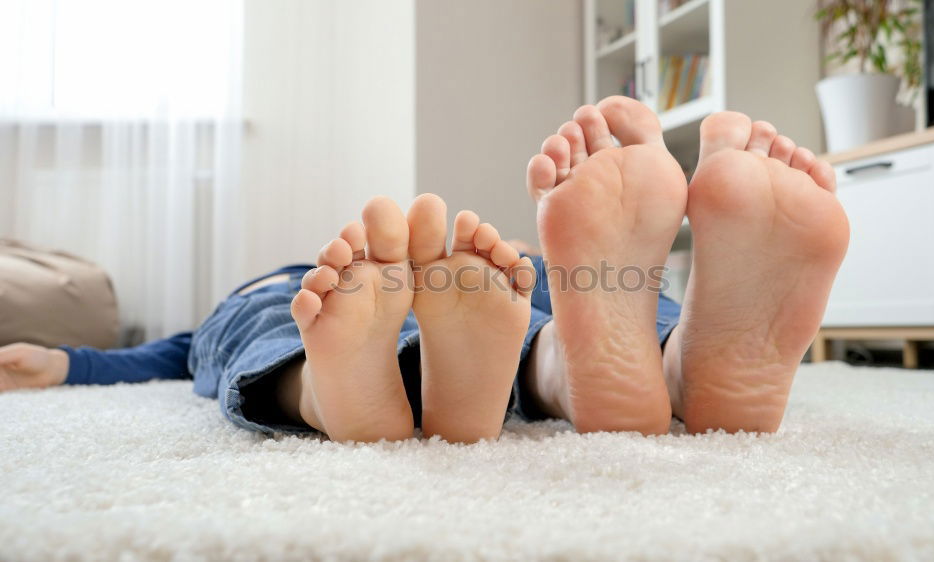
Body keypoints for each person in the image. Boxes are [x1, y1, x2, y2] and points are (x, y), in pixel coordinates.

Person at [0, 97, 849, 443]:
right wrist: (72, 363)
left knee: (253, 325)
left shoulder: (299, 279)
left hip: (334, 304)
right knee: (552, 291)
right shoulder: (363, 278)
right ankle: (625, 365)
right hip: (485, 298)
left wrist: (74, 366)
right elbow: (145, 356)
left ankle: (333, 393)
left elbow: (169, 352)